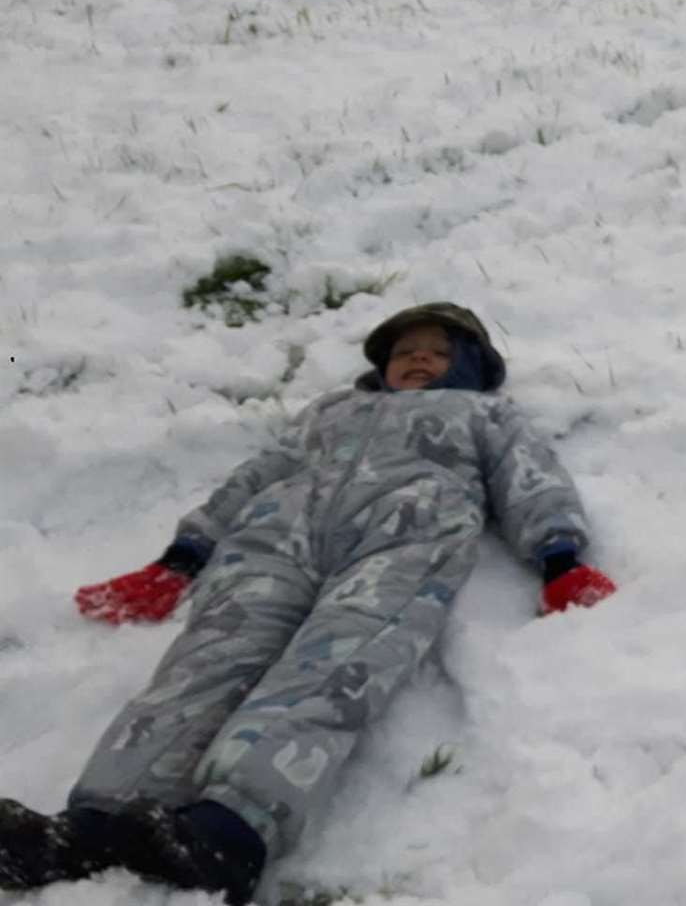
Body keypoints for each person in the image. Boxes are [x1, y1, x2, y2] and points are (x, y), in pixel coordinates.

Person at [0, 302, 617, 903]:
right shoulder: (333, 411)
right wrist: (182, 557)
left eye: (437, 352)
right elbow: (258, 474)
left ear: (472, 367)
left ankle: (229, 831)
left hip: (402, 539)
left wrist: (559, 558)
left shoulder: (482, 414)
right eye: (405, 352)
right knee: (206, 662)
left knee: (330, 668)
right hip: (276, 541)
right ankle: (99, 821)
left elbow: (531, 478)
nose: (419, 361)